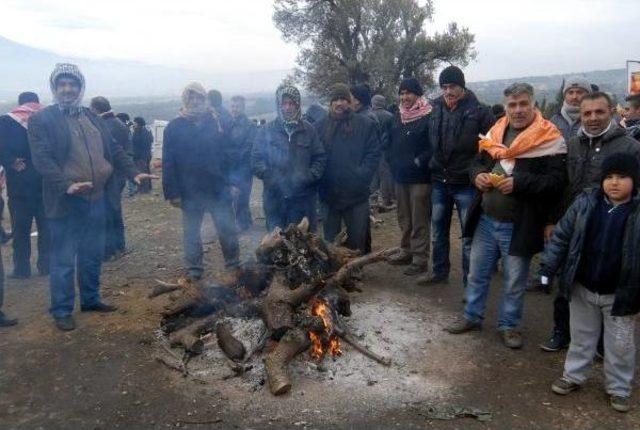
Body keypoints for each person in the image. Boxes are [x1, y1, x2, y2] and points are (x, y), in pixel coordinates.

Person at [28, 63, 153, 331]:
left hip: (97, 198)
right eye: (62, 84)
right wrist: (66, 186)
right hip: (66, 201)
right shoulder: (42, 119)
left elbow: (114, 149)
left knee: (92, 253)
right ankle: (61, 309)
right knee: (63, 258)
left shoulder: (91, 117)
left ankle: (91, 298)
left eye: (72, 84)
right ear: (54, 87)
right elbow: (42, 160)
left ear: (80, 87)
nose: (67, 89)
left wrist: (133, 173)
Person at [445, 83, 566, 349]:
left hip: (518, 224)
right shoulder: (497, 130)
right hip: (486, 220)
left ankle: (509, 325)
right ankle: (471, 317)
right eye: (513, 105)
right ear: (507, 106)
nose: (518, 110)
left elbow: (556, 182)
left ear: (534, 105)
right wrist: (477, 176)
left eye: (524, 104)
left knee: (514, 281)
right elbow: (476, 162)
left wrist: (519, 183)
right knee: (477, 273)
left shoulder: (549, 137)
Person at [540, 91, 640, 352]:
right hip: (573, 226)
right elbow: (563, 186)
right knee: (568, 282)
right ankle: (561, 332)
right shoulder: (571, 143)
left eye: (599, 112)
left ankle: (601, 345)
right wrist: (552, 220)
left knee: (606, 287)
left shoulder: (630, 147)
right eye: (587, 113)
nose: (593, 118)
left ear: (611, 112)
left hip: (611, 231)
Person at [542, 154, 640, 413]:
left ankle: (619, 388)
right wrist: (548, 267)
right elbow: (562, 235)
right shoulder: (586, 202)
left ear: (635, 179)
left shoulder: (637, 211)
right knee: (581, 337)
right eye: (609, 177)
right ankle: (573, 375)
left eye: (622, 177)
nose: (614, 183)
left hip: (621, 295)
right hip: (583, 286)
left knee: (621, 345)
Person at [420, 66, 495, 286]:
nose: (447, 91)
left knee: (468, 236)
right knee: (437, 232)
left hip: (466, 182)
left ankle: (469, 282)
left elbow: (492, 148)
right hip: (439, 180)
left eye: (452, 86)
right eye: (443, 87)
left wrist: (480, 172)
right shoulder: (433, 109)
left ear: (462, 86)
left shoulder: (481, 112)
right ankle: (439, 272)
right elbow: (425, 140)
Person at [162, 82, 240, 280]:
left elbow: (229, 154)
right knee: (191, 233)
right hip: (189, 190)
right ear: (185, 99)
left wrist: (233, 182)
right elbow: (169, 161)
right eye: (191, 97)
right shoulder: (174, 127)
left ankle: (233, 264)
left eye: (199, 97)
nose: (195, 101)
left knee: (227, 228)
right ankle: (195, 270)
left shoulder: (217, 122)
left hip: (218, 187)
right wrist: (172, 193)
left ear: (205, 99)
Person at [252, 84, 326, 232]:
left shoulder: (308, 130)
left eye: (291, 103)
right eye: (284, 103)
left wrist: (309, 176)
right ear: (279, 105)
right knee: (277, 243)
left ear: (297, 105)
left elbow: (320, 158)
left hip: (303, 199)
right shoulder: (267, 130)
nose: (287, 107)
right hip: (275, 198)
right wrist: (268, 175)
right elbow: (256, 159)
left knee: (303, 243)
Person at [316, 84, 381, 253]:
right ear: (330, 103)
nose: (339, 103)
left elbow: (373, 153)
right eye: (336, 99)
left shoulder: (365, 124)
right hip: (329, 194)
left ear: (350, 102)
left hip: (356, 193)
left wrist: (362, 175)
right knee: (331, 241)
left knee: (357, 239)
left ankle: (356, 270)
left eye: (343, 99)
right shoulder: (320, 126)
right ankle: (335, 274)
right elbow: (315, 156)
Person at [386, 77, 433, 276]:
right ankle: (406, 250)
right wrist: (391, 160)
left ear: (418, 94)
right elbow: (388, 141)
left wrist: (418, 161)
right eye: (402, 93)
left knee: (419, 218)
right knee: (404, 217)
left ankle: (420, 258)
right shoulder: (397, 116)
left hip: (420, 178)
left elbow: (432, 146)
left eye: (409, 93)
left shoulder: (428, 116)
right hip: (400, 176)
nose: (405, 97)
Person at [0, 92, 49, 278]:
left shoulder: (6, 120)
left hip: (20, 183)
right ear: (37, 101)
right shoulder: (48, 118)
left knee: (20, 228)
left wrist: (11, 161)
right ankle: (47, 266)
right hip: (46, 180)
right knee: (47, 227)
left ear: (19, 103)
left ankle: (22, 269)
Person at [90, 96, 131, 262]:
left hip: (108, 175)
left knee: (106, 212)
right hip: (119, 173)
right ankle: (119, 246)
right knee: (115, 210)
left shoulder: (103, 126)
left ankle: (109, 250)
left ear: (96, 109)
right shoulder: (119, 123)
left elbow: (104, 152)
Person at [228, 95, 256, 231]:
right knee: (233, 197)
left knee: (242, 198)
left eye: (237, 106)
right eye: (232, 106)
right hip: (230, 168)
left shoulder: (250, 126)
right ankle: (245, 221)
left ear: (243, 108)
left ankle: (242, 224)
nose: (234, 109)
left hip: (244, 168)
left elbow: (248, 149)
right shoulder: (227, 123)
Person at [371, 94, 396, 209]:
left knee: (373, 174)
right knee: (385, 174)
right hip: (385, 150)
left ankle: (373, 199)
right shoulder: (390, 116)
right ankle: (386, 199)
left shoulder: (368, 115)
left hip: (371, 150)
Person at [132, 117, 154, 194]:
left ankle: (144, 189)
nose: (133, 124)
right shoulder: (147, 130)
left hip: (141, 156)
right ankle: (148, 187)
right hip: (146, 154)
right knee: (146, 171)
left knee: (142, 172)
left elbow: (139, 143)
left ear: (138, 123)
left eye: (135, 122)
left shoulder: (140, 132)